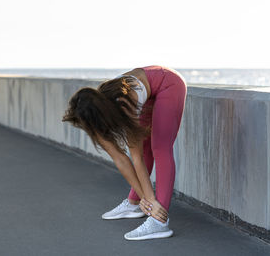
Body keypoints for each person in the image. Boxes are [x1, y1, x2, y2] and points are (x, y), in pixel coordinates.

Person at [61, 65, 187, 240]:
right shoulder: (92, 115)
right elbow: (120, 158)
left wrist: (151, 203)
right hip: (146, 89)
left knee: (159, 147)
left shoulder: (124, 103)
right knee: (145, 148)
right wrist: (144, 198)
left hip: (168, 84)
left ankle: (159, 221)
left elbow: (136, 158)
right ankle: (135, 203)